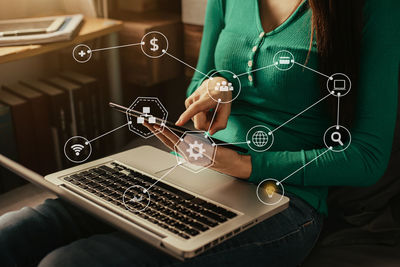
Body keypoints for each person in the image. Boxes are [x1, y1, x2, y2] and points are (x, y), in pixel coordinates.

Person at [0, 0, 398, 266]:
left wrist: (244, 163)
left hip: (283, 201)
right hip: (188, 171)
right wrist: (216, 86)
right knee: (19, 230)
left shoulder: (377, 8)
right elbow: (197, 86)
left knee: (68, 263)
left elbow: (367, 158)